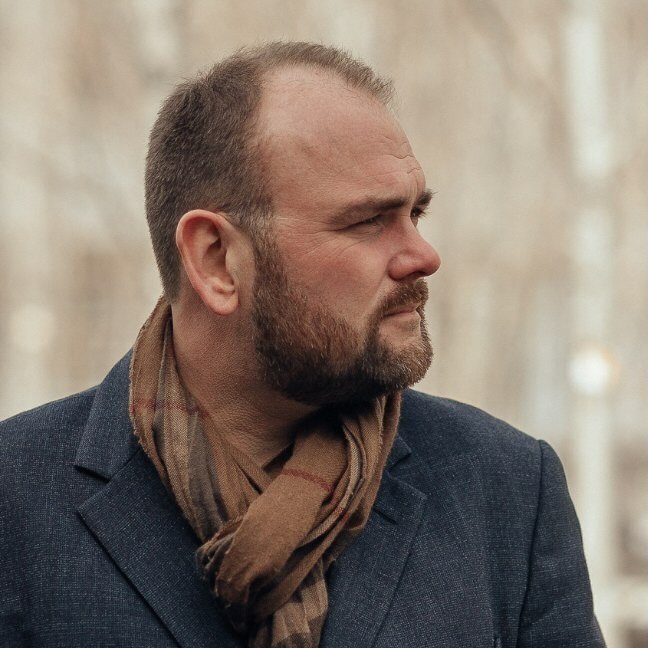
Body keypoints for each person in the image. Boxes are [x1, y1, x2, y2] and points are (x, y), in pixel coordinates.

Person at [0, 42, 605, 648]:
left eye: (415, 214)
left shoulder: (507, 490)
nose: (423, 256)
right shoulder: (16, 499)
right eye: (368, 221)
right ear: (217, 260)